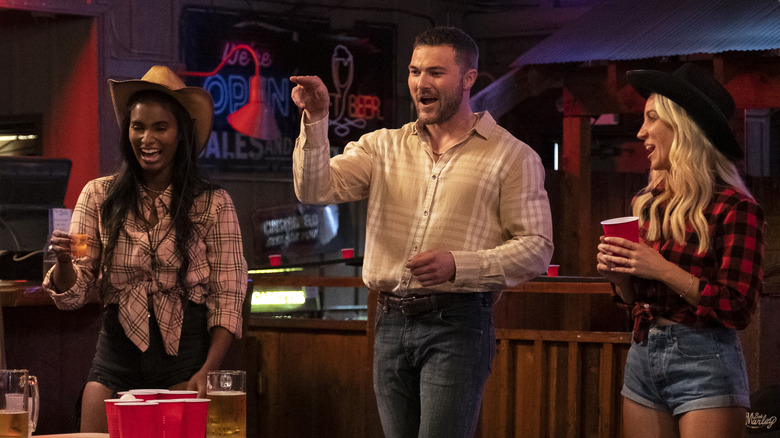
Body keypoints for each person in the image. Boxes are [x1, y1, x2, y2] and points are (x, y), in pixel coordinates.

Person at [290, 26, 553, 438]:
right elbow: (314, 188)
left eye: (435, 73)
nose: (420, 84)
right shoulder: (382, 147)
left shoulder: (512, 156)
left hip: (458, 322)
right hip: (390, 319)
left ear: (468, 78)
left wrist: (458, 265)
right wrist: (317, 118)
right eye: (415, 72)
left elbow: (537, 248)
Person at [43, 66, 248, 432]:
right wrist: (63, 264)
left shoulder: (213, 203)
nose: (147, 138)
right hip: (114, 363)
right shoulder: (98, 195)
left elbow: (229, 297)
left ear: (180, 134)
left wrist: (207, 373)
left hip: (186, 367)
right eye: (138, 127)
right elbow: (71, 296)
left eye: (160, 127)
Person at [596, 63, 764, 438]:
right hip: (644, 353)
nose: (640, 132)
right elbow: (634, 298)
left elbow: (738, 308)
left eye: (651, 118)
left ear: (683, 128)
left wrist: (660, 268)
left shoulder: (735, 207)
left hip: (706, 359)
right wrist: (619, 277)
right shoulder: (646, 202)